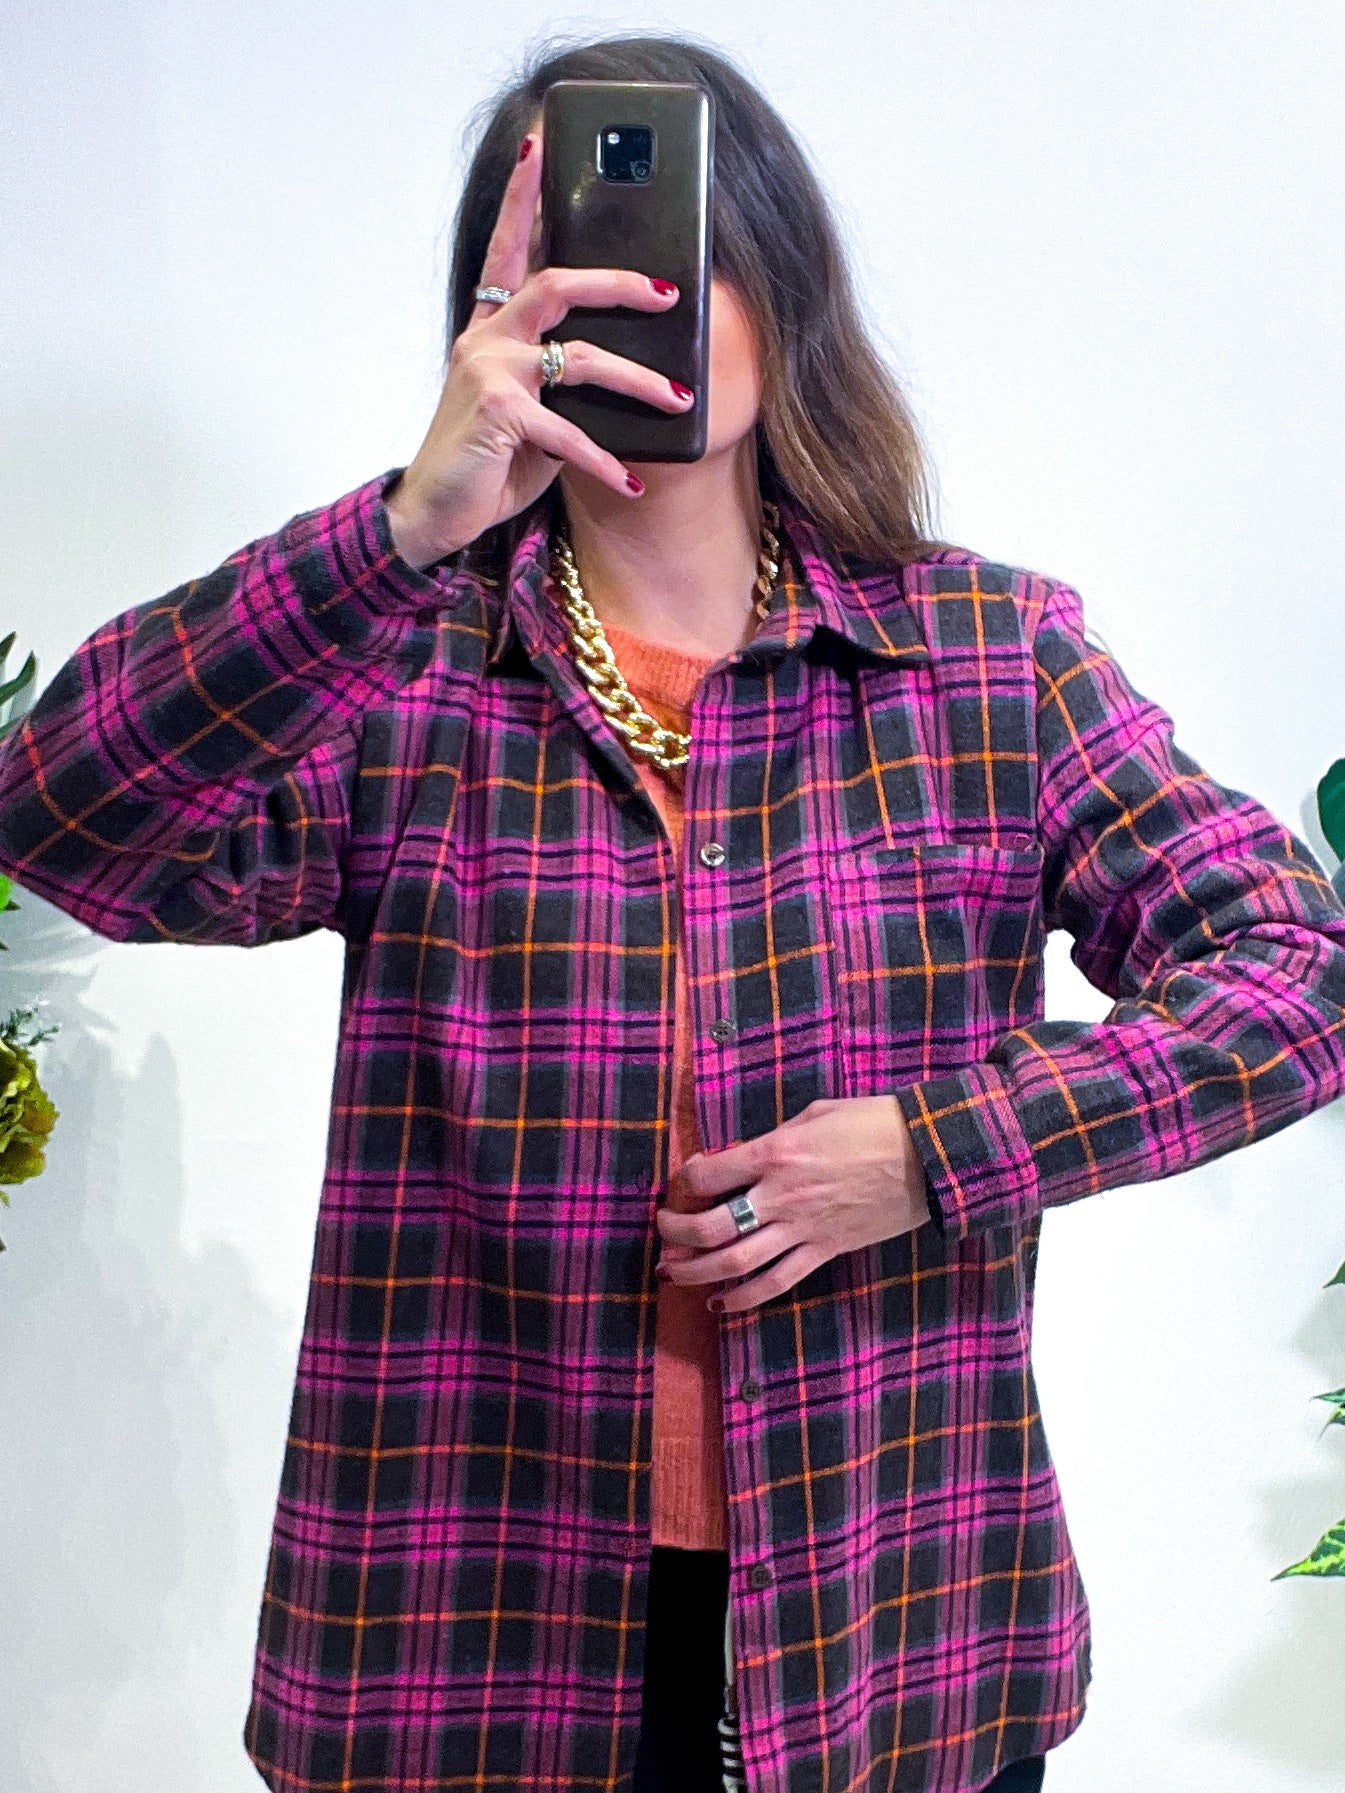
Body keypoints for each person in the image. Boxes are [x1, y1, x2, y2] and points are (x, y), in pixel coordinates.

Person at [3, 29, 1345, 1793]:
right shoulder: (400, 673)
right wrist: (400, 529)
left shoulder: (984, 660)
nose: (641, 303)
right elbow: (65, 823)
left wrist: (931, 1150)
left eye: (685, 252)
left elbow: (1297, 970)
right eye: (580, 263)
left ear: (780, 287)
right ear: (496, 316)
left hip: (894, 1620)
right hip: (469, 1638)